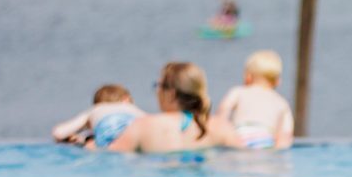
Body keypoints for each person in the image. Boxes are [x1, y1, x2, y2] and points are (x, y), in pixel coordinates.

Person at [108, 61, 244, 154]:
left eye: (158, 86)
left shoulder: (142, 126)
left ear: (171, 93)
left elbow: (111, 155)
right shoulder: (221, 127)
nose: (157, 92)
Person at [215, 50, 295, 150]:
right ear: (277, 81)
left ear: (248, 76)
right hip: (265, 138)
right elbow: (286, 134)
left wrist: (221, 133)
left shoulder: (238, 92)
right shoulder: (282, 102)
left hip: (240, 135)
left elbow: (223, 112)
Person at [51, 84, 145, 150]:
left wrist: (85, 129)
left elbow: (59, 133)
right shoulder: (132, 108)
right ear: (126, 99)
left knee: (91, 144)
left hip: (108, 136)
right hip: (139, 134)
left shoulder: (95, 110)